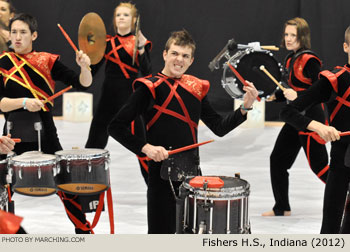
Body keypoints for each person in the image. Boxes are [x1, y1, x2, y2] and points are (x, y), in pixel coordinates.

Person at [108, 29, 258, 233]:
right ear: (165, 55)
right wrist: (146, 148)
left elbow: (219, 127)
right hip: (161, 176)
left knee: (192, 235)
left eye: (185, 56)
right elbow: (115, 126)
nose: (179, 60)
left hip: (193, 175)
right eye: (175, 53)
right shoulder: (149, 87)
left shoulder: (196, 88)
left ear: (191, 60)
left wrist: (245, 107)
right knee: (162, 236)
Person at [0, 13, 93, 233]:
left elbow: (83, 84)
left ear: (34, 35)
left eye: (23, 32)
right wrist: (24, 102)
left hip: (46, 133)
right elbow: (1, 103)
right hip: (11, 136)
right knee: (3, 187)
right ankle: (13, 234)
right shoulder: (3, 62)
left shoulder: (47, 60)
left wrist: (85, 67)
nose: (18, 37)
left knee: (65, 185)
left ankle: (84, 232)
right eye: (14, 32)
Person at [280, 25, 350, 233]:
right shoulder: (335, 80)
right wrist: (318, 126)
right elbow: (288, 112)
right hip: (343, 163)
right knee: (330, 231)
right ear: (346, 47)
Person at [262, 17, 329, 216]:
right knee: (278, 160)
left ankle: (345, 191)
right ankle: (281, 207)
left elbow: (321, 90)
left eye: (293, 35)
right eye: (287, 34)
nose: (289, 38)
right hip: (295, 118)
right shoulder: (291, 59)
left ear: (303, 37)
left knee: (320, 167)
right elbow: (293, 88)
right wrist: (276, 96)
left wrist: (297, 96)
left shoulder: (309, 60)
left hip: (310, 119)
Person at [85, 1, 151, 184]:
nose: (121, 18)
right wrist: (85, 62)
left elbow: (148, 72)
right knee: (94, 143)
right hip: (107, 98)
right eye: (118, 15)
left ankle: (154, 186)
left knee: (141, 145)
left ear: (134, 20)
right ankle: (87, 185)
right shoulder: (106, 42)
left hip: (130, 99)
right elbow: (93, 70)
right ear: (114, 20)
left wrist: (141, 48)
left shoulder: (140, 43)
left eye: (126, 15)